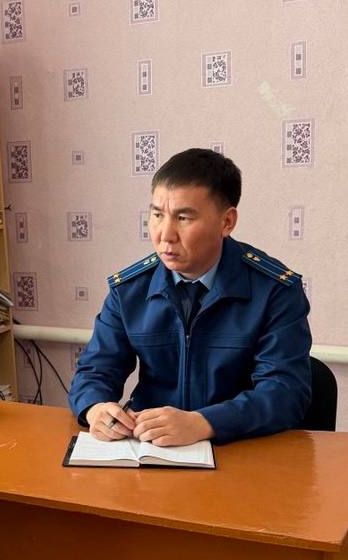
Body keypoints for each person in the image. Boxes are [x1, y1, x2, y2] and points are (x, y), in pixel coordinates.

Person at [69, 148, 312, 446]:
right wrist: (95, 409)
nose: (165, 235)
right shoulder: (130, 290)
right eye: (157, 215)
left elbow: (285, 392)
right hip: (149, 449)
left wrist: (204, 423)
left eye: (183, 217)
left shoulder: (274, 290)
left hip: (240, 450)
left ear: (227, 222)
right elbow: (95, 371)